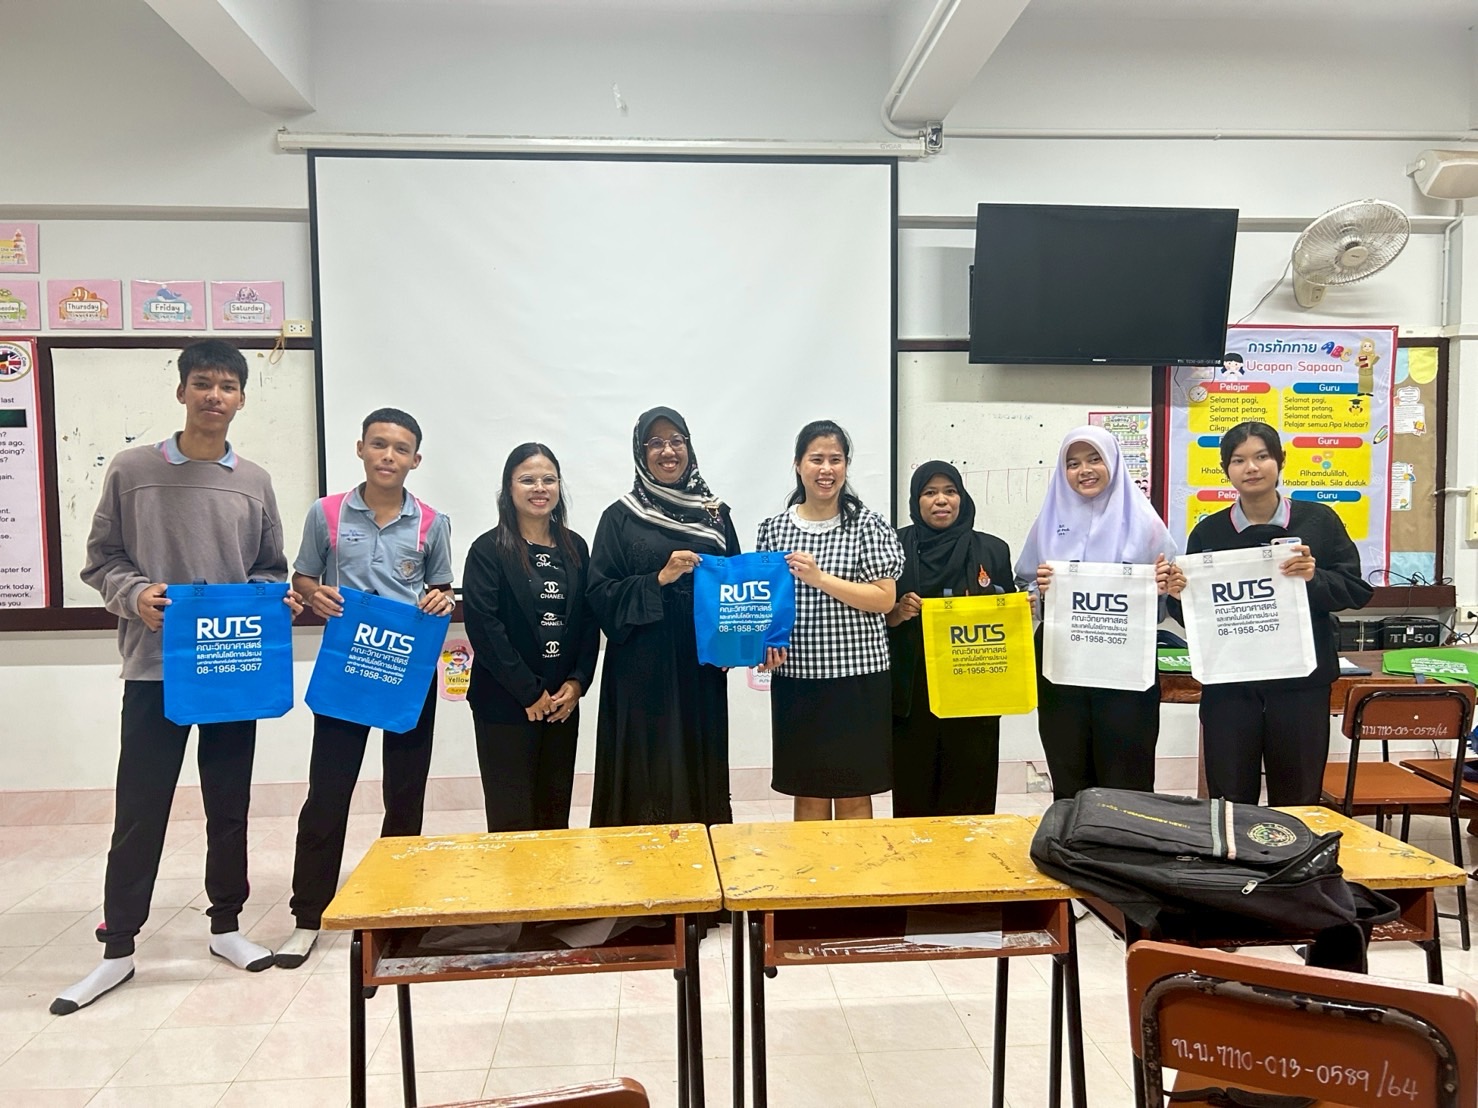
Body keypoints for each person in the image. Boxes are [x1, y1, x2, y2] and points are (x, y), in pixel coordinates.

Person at [57, 339, 302, 1015]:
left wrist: (270, 598)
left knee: (229, 804)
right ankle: (118, 948)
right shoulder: (132, 469)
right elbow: (101, 560)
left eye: (227, 386)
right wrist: (135, 595)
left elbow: (269, 567)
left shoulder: (254, 481)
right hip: (154, 669)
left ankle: (226, 926)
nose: (214, 396)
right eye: (202, 383)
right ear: (181, 391)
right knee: (140, 809)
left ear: (242, 399)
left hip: (230, 668)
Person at [274, 408, 455, 970]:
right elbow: (303, 578)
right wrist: (312, 593)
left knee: (405, 794)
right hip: (349, 668)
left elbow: (442, 590)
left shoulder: (432, 522)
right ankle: (308, 916)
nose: (388, 456)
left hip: (408, 672)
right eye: (379, 445)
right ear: (360, 448)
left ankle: (395, 910)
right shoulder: (326, 513)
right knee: (328, 793)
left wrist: (441, 599)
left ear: (415, 459)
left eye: (400, 449)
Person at [1167, 421, 1372, 806]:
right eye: (1238, 460)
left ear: (1280, 460)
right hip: (1230, 688)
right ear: (1226, 469)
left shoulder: (1319, 521)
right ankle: (1234, 848)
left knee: (1298, 798)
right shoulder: (1208, 533)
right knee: (1229, 799)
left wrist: (1313, 577)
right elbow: (1195, 616)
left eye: (1261, 456)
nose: (1251, 468)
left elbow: (1355, 590)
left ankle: (1296, 847)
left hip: (1300, 687)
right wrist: (1178, 595)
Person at [588, 407, 740, 827]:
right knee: (647, 769)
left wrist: (737, 643)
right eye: (655, 443)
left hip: (700, 666)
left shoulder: (715, 514)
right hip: (642, 667)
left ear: (689, 447)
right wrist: (659, 578)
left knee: (697, 758)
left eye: (676, 441)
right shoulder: (620, 516)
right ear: (641, 452)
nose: (668, 451)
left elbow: (736, 586)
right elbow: (599, 594)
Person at [1016, 426, 1177, 801]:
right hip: (1062, 669)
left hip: (1125, 670)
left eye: (1094, 459)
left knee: (1127, 773)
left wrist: (1164, 586)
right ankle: (1073, 837)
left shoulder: (1147, 525)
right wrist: (1036, 593)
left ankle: (1128, 836)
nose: (1084, 470)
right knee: (1069, 768)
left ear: (1113, 463)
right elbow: (1024, 586)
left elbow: (1167, 600)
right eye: (1072, 463)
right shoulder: (1047, 523)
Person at [757, 420, 904, 821]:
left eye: (835, 460)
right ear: (798, 464)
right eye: (816, 459)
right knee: (808, 795)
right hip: (797, 679)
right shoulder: (773, 529)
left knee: (854, 794)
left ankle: (857, 867)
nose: (826, 469)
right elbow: (765, 605)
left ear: (846, 466)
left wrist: (820, 578)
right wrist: (761, 647)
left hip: (858, 679)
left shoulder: (868, 525)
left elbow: (883, 599)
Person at [461, 443, 599, 832]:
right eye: (527, 480)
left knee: (554, 815)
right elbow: (485, 628)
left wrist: (578, 682)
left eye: (548, 479)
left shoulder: (576, 547)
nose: (539, 488)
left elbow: (589, 620)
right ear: (509, 488)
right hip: (504, 703)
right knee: (512, 817)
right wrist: (529, 692)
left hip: (561, 705)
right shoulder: (487, 549)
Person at [886, 461, 1015, 817]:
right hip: (913, 693)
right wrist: (896, 612)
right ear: (916, 500)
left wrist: (1023, 607)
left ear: (962, 497)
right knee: (914, 798)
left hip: (973, 692)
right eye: (930, 492)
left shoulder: (993, 549)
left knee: (970, 799)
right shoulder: (895, 546)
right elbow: (873, 614)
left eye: (950, 491)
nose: (941, 500)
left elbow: (1006, 616)